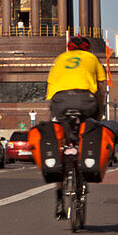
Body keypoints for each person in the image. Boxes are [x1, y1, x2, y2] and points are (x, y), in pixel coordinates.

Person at [46, 35, 106, 219]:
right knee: (89, 130)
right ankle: (84, 155)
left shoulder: (59, 59)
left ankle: (58, 198)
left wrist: (54, 113)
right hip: (85, 100)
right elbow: (101, 88)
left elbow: (50, 89)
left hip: (60, 102)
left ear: (69, 48)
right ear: (87, 49)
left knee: (61, 145)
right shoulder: (92, 59)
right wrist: (99, 112)